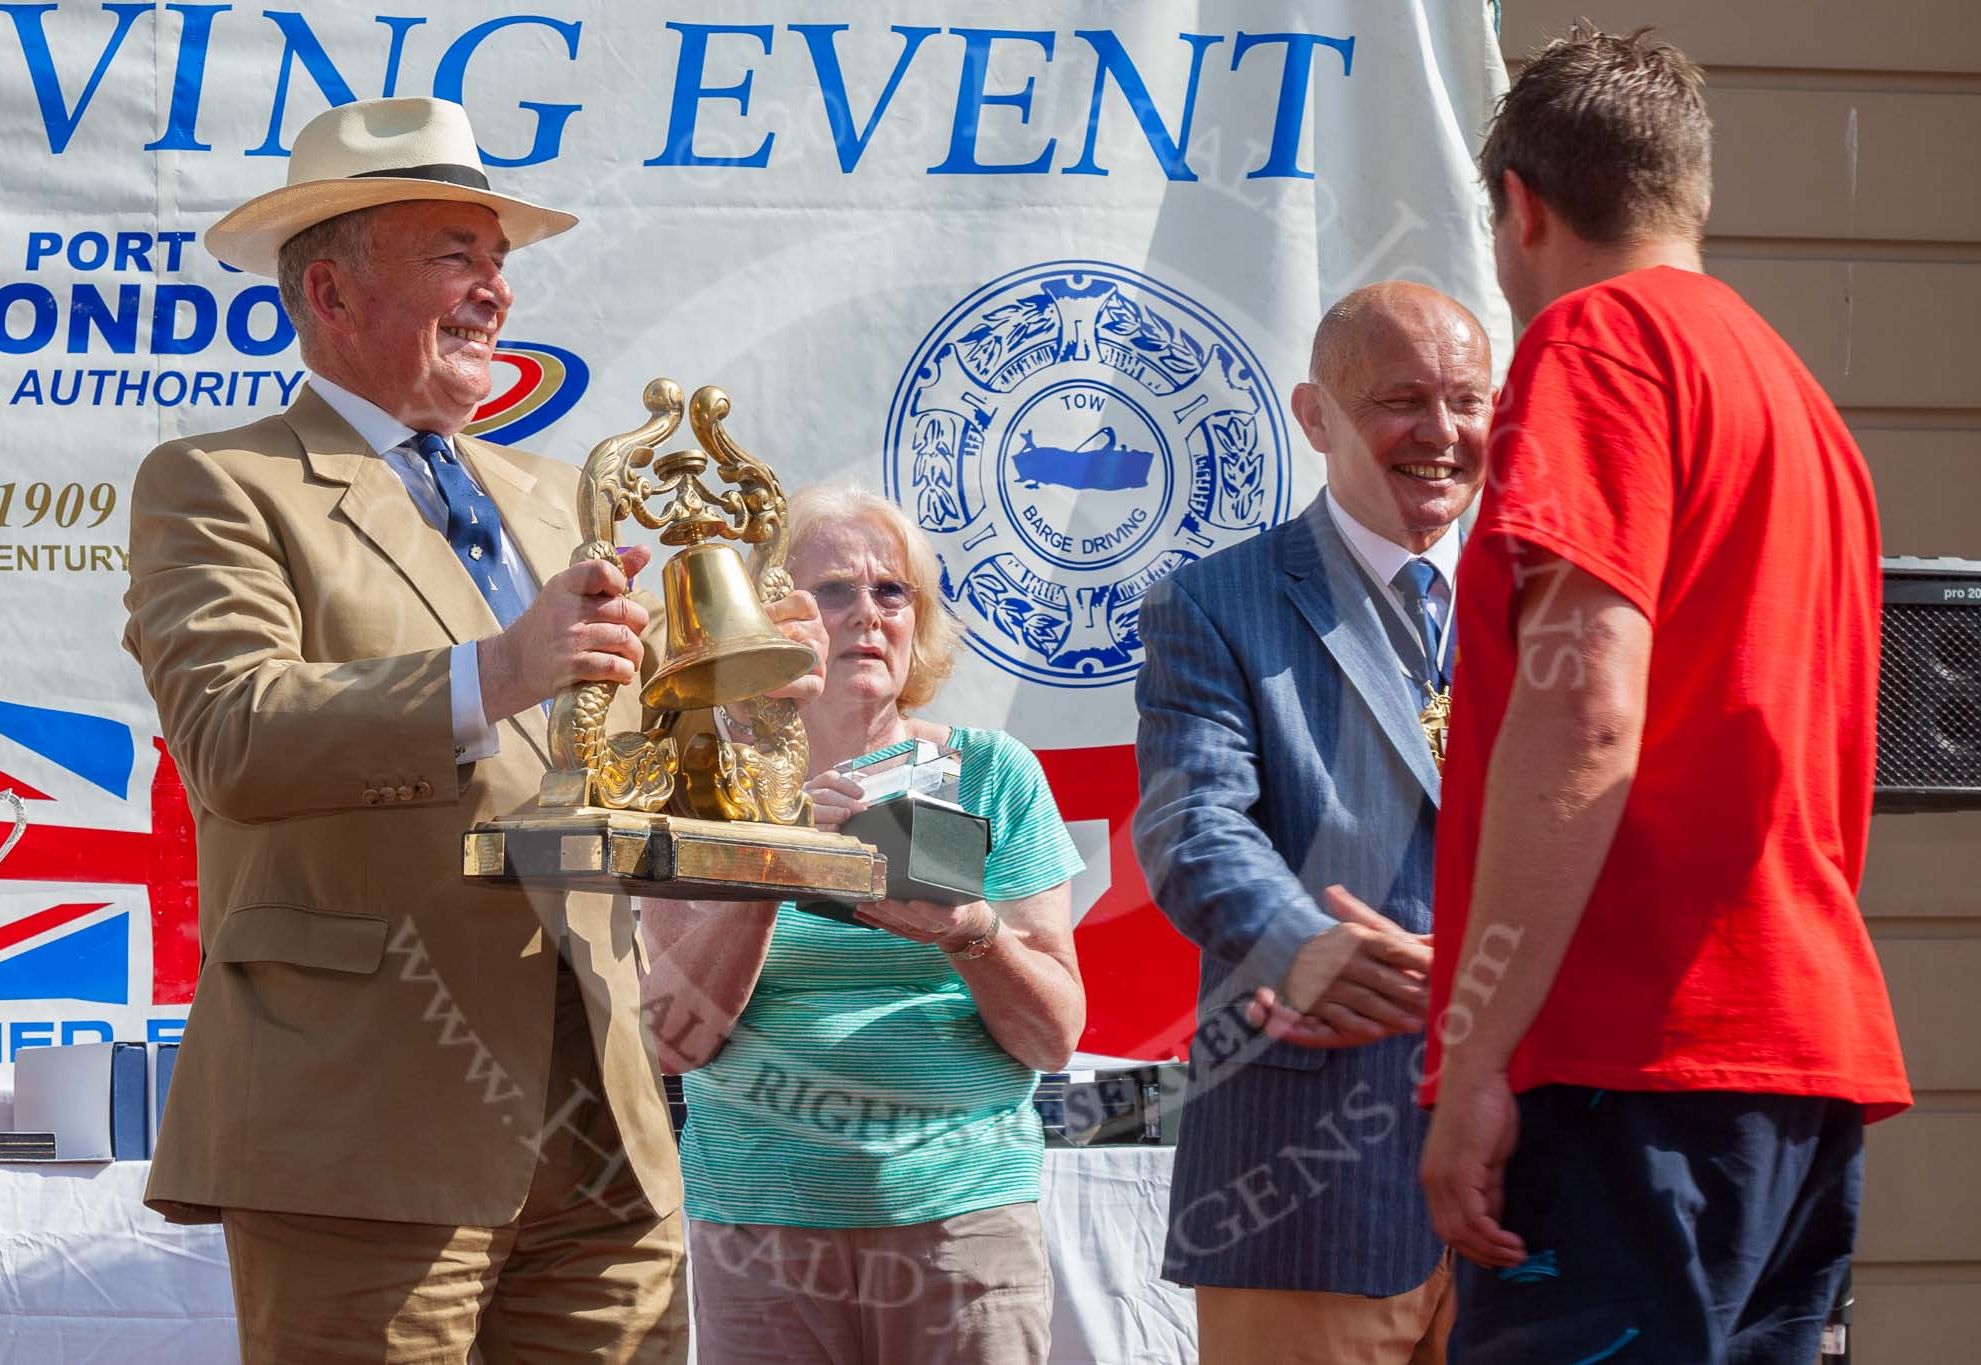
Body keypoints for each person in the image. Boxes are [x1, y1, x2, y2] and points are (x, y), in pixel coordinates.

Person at [121, 97, 820, 1363]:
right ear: (331, 292)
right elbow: (230, 738)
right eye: (456, 253)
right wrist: (495, 669)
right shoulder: (218, 483)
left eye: (499, 261)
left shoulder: (558, 497)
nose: (494, 289)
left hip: (603, 1128)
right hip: (364, 1125)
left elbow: (632, 763)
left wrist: (745, 697)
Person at [1408, 26, 1912, 1364]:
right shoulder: (1806, 410)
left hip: (1629, 1062)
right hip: (1792, 1059)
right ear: (1688, 190)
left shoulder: (1597, 344)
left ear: (1521, 205)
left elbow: (1588, 714)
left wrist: (1474, 1051)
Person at [637, 482, 1085, 1365]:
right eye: (834, 591)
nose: (868, 615)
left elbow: (1054, 1035)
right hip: (762, 1224)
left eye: (893, 592)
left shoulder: (991, 771)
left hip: (962, 1223)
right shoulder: (704, 788)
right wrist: (781, 854)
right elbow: (672, 1042)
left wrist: (971, 932)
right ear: (773, 620)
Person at [1134, 281, 1494, 1363]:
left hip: (1529, 1198)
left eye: (1467, 400)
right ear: (1312, 414)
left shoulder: (1552, 603)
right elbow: (1192, 826)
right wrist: (1303, 948)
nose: (1440, 434)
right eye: (1400, 400)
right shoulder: (1213, 603)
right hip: (1302, 1190)